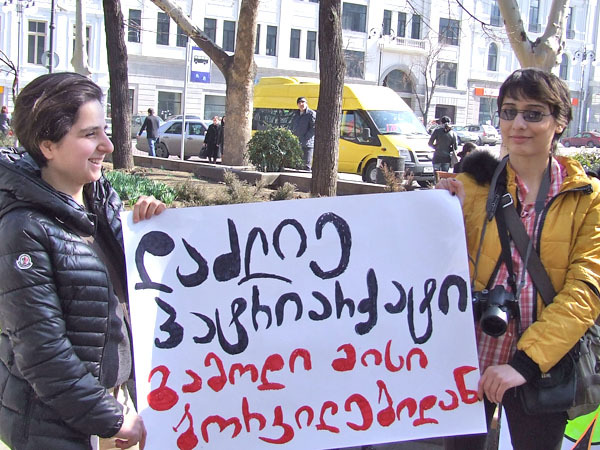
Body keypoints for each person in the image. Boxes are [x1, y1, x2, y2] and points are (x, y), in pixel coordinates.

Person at [0, 72, 167, 450]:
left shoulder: (101, 204)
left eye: (104, 130)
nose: (108, 145)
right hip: (57, 426)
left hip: (115, 401)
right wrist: (110, 417)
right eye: (90, 134)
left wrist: (156, 230)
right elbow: (43, 354)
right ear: (47, 145)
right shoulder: (23, 230)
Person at [438, 68, 600, 450]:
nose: (518, 124)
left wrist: (525, 364)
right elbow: (434, 270)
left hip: (542, 368)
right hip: (470, 357)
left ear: (560, 122)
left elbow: (586, 290)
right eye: (509, 112)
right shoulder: (470, 187)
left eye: (534, 113)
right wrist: (439, 213)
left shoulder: (587, 198)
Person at [291, 96, 316, 170]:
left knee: (306, 166)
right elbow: (293, 126)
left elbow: (314, 128)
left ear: (306, 103)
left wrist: (305, 138)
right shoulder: (296, 114)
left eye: (303, 102)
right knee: (297, 166)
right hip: (297, 143)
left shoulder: (311, 114)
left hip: (307, 144)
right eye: (299, 103)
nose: (301, 104)